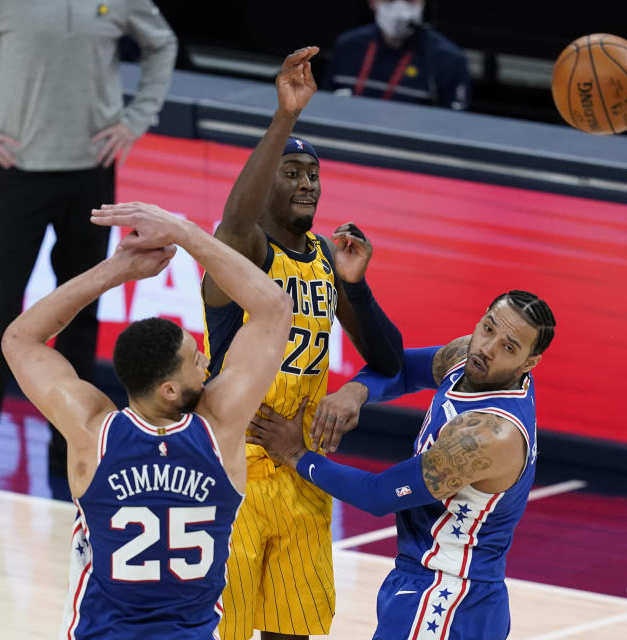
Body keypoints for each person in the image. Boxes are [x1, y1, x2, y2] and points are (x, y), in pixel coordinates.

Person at [0, 201, 292, 638]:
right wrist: (184, 233)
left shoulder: (92, 433)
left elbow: (20, 338)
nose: (208, 362)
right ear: (169, 390)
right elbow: (274, 307)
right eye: (196, 361)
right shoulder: (219, 429)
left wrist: (117, 270)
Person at [0, 0, 178, 489]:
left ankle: (71, 445)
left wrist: (137, 117)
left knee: (82, 311)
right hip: (21, 172)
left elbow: (162, 42)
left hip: (91, 172)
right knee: (0, 310)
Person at [203, 48, 405, 640]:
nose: (308, 183)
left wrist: (356, 287)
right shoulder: (241, 257)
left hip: (301, 468)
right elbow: (235, 220)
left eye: (313, 175)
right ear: (266, 184)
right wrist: (284, 118)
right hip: (233, 469)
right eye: (292, 173)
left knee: (293, 632)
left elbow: (389, 359)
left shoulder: (323, 258)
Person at [249, 290, 556, 640]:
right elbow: (405, 369)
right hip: (453, 591)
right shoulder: (467, 357)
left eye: (509, 347)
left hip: (445, 596)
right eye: (488, 329)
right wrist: (356, 391)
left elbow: (379, 495)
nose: (487, 348)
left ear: (530, 363)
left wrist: (294, 454)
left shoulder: (488, 435)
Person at [323, 0, 470, 110]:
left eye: (409, 0)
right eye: (390, 0)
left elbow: (454, 125)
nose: (400, 9)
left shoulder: (449, 59)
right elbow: (325, 105)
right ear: (372, 2)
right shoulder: (347, 46)